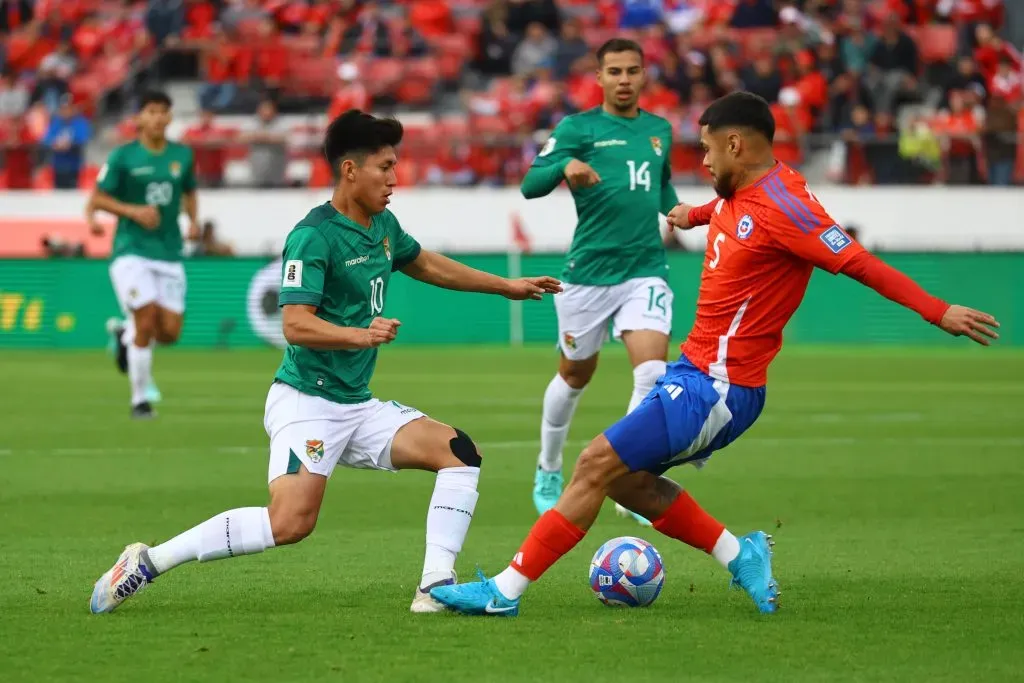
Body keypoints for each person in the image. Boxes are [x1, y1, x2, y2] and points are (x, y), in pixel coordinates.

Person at [431, 91, 1000, 617]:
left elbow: (857, 262)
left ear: (736, 144)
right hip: (695, 375)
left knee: (593, 465)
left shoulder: (788, 207)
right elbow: (732, 210)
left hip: (718, 389)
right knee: (626, 481)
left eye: (705, 149)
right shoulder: (742, 192)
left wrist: (937, 310)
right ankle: (739, 553)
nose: (700, 161)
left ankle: (504, 591)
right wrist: (694, 214)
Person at [89, 109, 562, 615]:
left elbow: (423, 262)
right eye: (385, 167)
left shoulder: (382, 224)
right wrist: (360, 335)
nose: (394, 179)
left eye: (395, 166)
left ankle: (434, 586)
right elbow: (294, 323)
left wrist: (505, 287)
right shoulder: (313, 235)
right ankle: (148, 561)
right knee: (290, 524)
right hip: (307, 401)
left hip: (356, 405)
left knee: (459, 452)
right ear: (350, 170)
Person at [523, 38, 680, 526]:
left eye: (633, 71)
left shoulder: (659, 131)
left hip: (645, 269)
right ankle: (548, 468)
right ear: (599, 78)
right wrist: (562, 165)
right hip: (588, 276)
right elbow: (531, 185)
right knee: (575, 375)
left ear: (644, 75)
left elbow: (662, 187)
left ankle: (630, 476)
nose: (625, 80)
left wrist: (684, 212)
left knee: (653, 373)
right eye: (615, 72)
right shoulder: (579, 127)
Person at [86, 91, 200, 417]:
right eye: (151, 111)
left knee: (169, 333)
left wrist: (192, 221)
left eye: (164, 111)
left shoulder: (182, 155)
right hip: (130, 250)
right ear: (138, 118)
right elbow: (97, 198)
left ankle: (125, 335)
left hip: (169, 252)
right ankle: (140, 400)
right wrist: (132, 211)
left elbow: (190, 192)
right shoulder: (123, 157)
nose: (158, 117)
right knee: (146, 319)